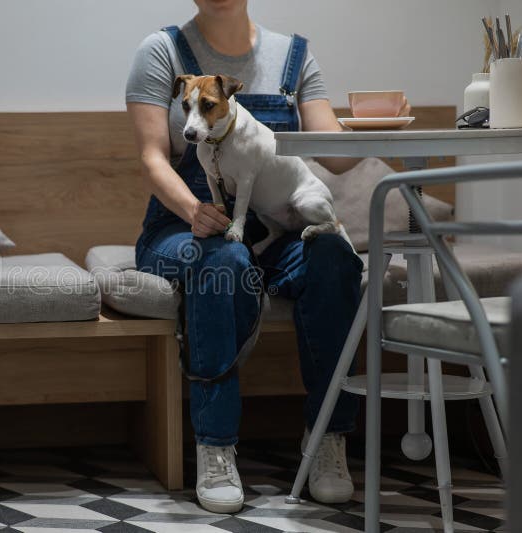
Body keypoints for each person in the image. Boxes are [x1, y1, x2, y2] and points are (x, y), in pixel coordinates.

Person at [125, 0, 410, 514]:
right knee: (222, 263)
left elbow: (334, 154)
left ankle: (327, 435)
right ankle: (215, 446)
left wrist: (377, 124)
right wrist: (196, 210)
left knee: (335, 258)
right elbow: (151, 157)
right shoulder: (162, 51)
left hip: (273, 234)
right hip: (180, 228)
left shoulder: (293, 56)